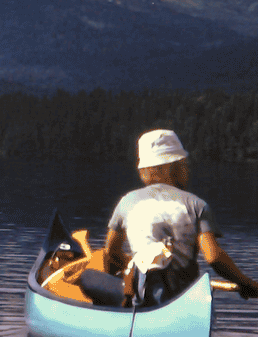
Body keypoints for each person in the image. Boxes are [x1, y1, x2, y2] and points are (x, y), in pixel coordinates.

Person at [85, 129, 258, 307]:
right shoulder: (197, 205)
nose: (187, 169)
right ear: (172, 167)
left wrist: (133, 265)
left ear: (145, 170)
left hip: (144, 295)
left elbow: (111, 253)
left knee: (87, 277)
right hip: (182, 296)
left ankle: (120, 310)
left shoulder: (126, 202)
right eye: (184, 164)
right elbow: (213, 258)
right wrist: (247, 283)